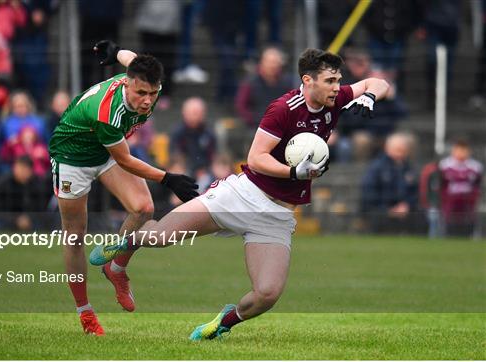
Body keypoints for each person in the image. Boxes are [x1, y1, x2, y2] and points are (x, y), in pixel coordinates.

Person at [90, 48, 389, 340]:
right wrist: (293, 173)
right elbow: (257, 157)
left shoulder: (335, 100)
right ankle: (122, 253)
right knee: (161, 237)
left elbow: (378, 81)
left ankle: (223, 322)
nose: (337, 87)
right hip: (243, 195)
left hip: (277, 213)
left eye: (339, 80)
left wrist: (371, 96)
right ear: (308, 81)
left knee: (267, 294)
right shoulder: (284, 109)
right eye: (330, 81)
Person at [47, 40, 199, 336]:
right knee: (75, 237)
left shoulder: (146, 84)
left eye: (152, 93)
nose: (147, 100)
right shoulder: (108, 112)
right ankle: (86, 313)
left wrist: (115, 50)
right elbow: (126, 160)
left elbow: (133, 59)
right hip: (72, 157)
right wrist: (168, 178)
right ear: (127, 85)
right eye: (141, 93)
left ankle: (115, 268)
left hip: (105, 150)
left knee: (144, 209)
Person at [360, 133, 419, 233]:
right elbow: (369, 194)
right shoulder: (376, 168)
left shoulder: (409, 169)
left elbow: (415, 192)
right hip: (381, 211)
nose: (400, 154)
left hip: (404, 211)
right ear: (388, 149)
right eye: (398, 150)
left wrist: (407, 205)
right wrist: (388, 210)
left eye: (403, 151)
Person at [438, 140, 483, 237]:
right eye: (459, 150)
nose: (461, 153)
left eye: (464, 150)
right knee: (448, 219)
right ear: (453, 151)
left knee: (469, 219)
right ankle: (445, 235)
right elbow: (441, 183)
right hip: (450, 199)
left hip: (468, 199)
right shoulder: (444, 165)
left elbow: (478, 185)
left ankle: (471, 235)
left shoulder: (476, 166)